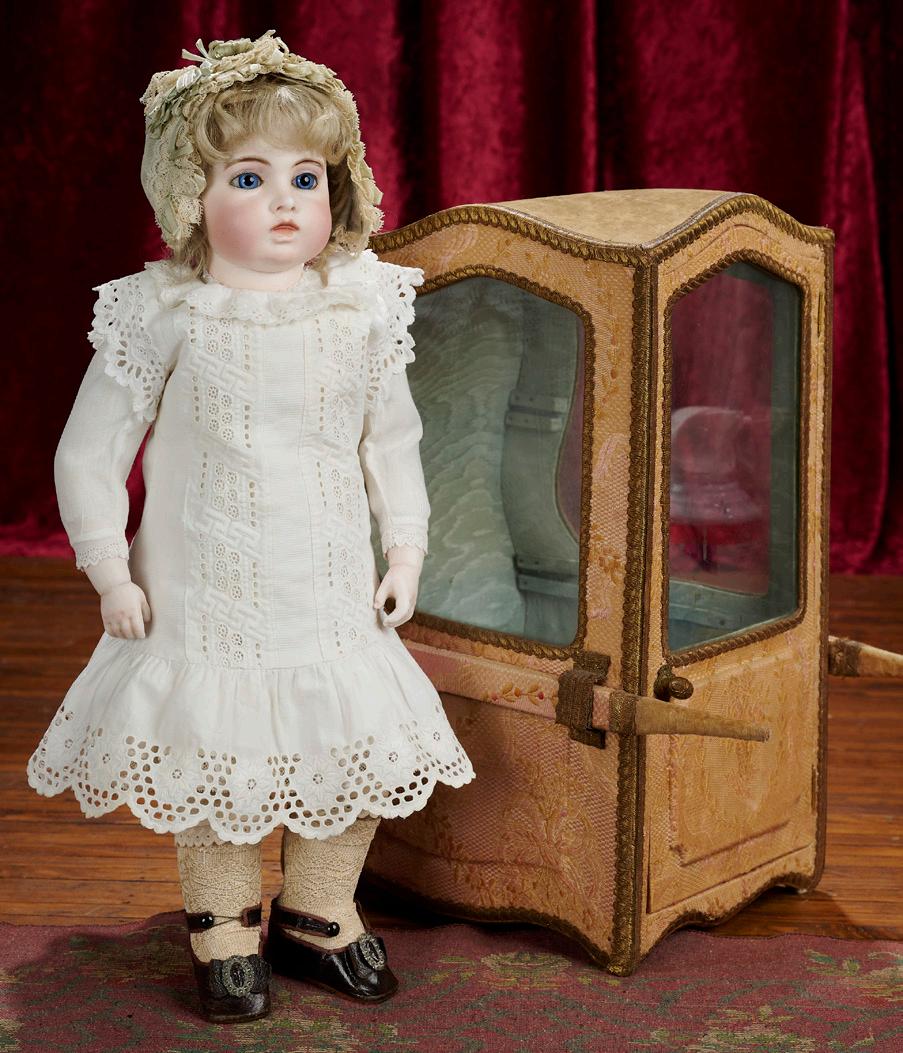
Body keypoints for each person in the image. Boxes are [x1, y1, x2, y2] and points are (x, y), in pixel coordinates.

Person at [27, 30, 475, 1023]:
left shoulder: (361, 306)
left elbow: (392, 441)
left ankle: (317, 911)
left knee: (352, 744)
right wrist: (109, 569)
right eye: (249, 177)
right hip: (206, 593)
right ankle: (223, 927)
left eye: (305, 178)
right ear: (189, 195)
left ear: (337, 189)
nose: (284, 201)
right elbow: (89, 452)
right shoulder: (164, 313)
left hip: (328, 586)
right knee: (218, 755)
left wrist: (405, 548)